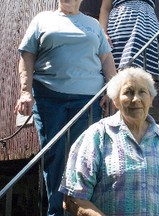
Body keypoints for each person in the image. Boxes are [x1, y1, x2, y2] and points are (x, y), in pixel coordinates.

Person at [14, 0, 117, 215]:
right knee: (56, 156)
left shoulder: (92, 24)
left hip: (88, 100)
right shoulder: (42, 20)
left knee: (87, 157)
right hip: (49, 98)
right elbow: (27, 55)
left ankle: (84, 211)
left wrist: (112, 88)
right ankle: (57, 211)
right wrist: (25, 91)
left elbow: (106, 58)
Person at [59, 67, 159, 215]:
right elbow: (74, 197)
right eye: (128, 92)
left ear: (151, 99)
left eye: (142, 92)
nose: (136, 99)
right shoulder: (97, 135)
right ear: (115, 101)